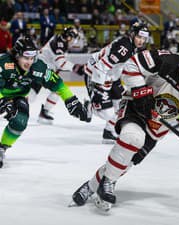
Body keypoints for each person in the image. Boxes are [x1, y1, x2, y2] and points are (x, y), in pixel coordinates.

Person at [71, 37, 179, 211]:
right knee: (133, 138)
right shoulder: (168, 61)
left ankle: (90, 186)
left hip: (158, 127)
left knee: (126, 160)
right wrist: (140, 91)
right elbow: (132, 64)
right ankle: (109, 182)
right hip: (136, 108)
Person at [0, 35, 90, 168]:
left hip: (18, 97)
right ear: (16, 55)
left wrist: (72, 101)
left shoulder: (38, 67)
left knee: (20, 121)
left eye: (32, 58)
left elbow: (58, 84)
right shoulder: (3, 63)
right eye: (26, 57)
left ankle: (2, 148)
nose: (29, 62)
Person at [83, 21, 150, 143]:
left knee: (121, 106)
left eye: (144, 38)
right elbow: (102, 65)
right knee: (107, 113)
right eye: (139, 37)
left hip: (111, 76)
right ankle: (89, 107)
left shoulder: (132, 46)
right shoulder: (124, 48)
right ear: (132, 34)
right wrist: (98, 85)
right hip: (96, 73)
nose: (141, 41)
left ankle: (108, 132)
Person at [28, 27, 84, 124]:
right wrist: (75, 68)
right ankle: (10, 103)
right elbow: (60, 63)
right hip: (40, 68)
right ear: (69, 37)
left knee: (34, 93)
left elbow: (56, 62)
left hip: (42, 67)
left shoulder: (60, 40)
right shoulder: (59, 44)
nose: (73, 41)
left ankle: (43, 112)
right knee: (32, 95)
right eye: (73, 38)